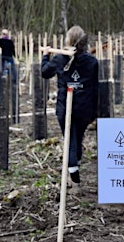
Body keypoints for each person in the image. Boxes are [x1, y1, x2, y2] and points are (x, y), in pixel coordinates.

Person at [41, 25, 99, 195]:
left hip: (66, 106)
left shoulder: (60, 59)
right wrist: (94, 112)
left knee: (70, 140)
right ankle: (75, 170)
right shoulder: (91, 61)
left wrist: (45, 56)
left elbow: (45, 72)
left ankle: (74, 175)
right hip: (84, 107)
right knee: (77, 139)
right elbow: (95, 88)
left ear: (68, 40)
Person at [0, 29, 18, 122]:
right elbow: (13, 50)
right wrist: (14, 56)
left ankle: (5, 77)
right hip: (8, 57)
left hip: (3, 58)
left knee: (3, 69)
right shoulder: (10, 41)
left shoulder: (0, 41)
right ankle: (12, 77)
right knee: (11, 69)